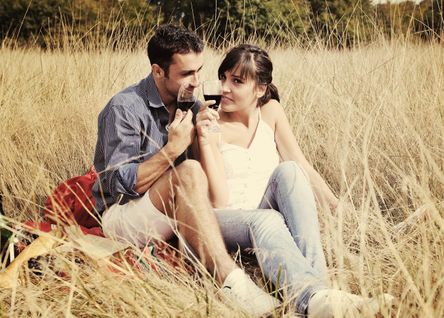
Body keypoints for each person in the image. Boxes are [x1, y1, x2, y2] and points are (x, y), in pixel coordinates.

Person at [92, 26, 280, 316]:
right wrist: (172, 149)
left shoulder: (192, 105)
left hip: (170, 212)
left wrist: (206, 138)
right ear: (158, 72)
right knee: (189, 170)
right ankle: (233, 283)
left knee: (198, 172)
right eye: (186, 74)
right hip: (122, 217)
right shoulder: (124, 108)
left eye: (199, 70)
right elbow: (119, 184)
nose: (196, 82)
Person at [195, 44, 394, 317]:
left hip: (263, 212)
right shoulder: (212, 123)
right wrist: (205, 140)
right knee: (268, 219)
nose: (225, 87)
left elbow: (301, 166)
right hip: (226, 218)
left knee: (289, 170)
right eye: (223, 78)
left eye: (237, 81)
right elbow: (218, 199)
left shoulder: (272, 111)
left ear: (260, 89)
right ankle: (318, 299)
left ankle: (320, 296)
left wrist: (337, 207)